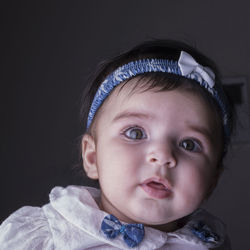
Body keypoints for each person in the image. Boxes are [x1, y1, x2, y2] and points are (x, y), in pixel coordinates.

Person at [0, 40, 233, 249]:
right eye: (135, 132)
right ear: (92, 157)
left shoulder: (211, 243)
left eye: (189, 144)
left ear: (212, 179)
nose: (162, 155)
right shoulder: (48, 235)